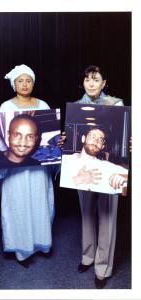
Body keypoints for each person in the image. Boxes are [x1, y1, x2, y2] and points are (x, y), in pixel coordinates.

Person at [0, 64, 60, 268]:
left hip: (38, 168)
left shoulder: (43, 105)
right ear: (14, 84)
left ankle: (42, 243)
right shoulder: (6, 107)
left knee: (39, 203)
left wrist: (58, 143)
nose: (24, 84)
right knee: (17, 205)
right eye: (20, 80)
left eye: (28, 80)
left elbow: (49, 136)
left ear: (33, 83)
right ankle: (21, 248)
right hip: (14, 170)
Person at [74, 65, 128, 288]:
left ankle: (102, 267)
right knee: (86, 213)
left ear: (104, 83)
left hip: (109, 167)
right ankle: (88, 257)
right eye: (87, 79)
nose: (91, 83)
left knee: (107, 217)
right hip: (82, 167)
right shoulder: (76, 107)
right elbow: (73, 142)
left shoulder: (116, 104)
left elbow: (126, 134)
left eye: (96, 79)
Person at [60, 127, 128, 194]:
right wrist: (77, 179)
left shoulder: (107, 167)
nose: (96, 141)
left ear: (102, 146)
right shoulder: (64, 161)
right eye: (93, 137)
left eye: (100, 140)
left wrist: (126, 177)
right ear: (83, 139)